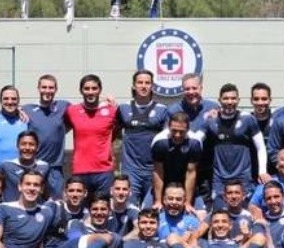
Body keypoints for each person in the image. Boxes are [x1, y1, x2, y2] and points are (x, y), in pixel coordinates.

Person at [201, 83, 268, 205]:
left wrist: (262, 171)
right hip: (220, 179)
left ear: (238, 100)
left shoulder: (247, 119)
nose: (229, 101)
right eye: (226, 98)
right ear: (219, 100)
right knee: (219, 213)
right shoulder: (211, 120)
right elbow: (196, 139)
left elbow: (261, 147)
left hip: (243, 177)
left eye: (233, 98)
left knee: (244, 213)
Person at [115, 70, 169, 206]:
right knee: (129, 207)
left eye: (147, 83)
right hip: (131, 170)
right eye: (140, 82)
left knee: (151, 210)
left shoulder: (162, 110)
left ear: (152, 86)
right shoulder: (123, 108)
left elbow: (168, 140)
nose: (143, 86)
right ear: (134, 86)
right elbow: (112, 136)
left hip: (154, 170)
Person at [64, 74, 117, 200]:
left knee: (102, 211)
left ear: (100, 90)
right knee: (80, 211)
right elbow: (58, 129)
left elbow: (118, 132)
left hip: (104, 171)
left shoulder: (111, 110)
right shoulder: (72, 111)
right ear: (81, 90)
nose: (90, 92)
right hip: (80, 170)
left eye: (94, 88)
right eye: (86, 89)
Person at [22, 74, 70, 198]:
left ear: (55, 89)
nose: (47, 91)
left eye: (51, 88)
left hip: (55, 167)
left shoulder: (64, 107)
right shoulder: (27, 109)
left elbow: (84, 111)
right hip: (35, 167)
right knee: (32, 200)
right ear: (38, 88)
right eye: (44, 87)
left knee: (56, 202)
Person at [151, 112, 204, 210]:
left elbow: (191, 173)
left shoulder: (195, 143)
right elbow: (158, 172)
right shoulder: (159, 142)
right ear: (168, 127)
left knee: (200, 213)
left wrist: (187, 202)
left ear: (188, 129)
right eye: (174, 130)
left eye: (182, 131)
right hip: (164, 180)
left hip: (185, 182)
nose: (177, 135)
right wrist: (158, 201)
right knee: (148, 211)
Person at [0, 130, 51, 202]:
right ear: (17, 146)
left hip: (34, 210)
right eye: (23, 144)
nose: (27, 147)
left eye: (31, 144)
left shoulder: (44, 167)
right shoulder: (6, 166)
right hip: (10, 211)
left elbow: (46, 193)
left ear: (37, 147)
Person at [0, 85, 28, 165]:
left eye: (13, 99)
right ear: (0, 101)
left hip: (17, 170)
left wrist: (20, 110)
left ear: (18, 101)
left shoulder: (25, 120)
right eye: (6, 98)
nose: (10, 102)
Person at [249, 82, 276, 176]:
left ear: (270, 100)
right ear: (251, 100)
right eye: (256, 99)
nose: (260, 102)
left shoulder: (278, 118)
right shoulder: (246, 120)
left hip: (275, 173)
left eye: (264, 99)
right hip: (251, 173)